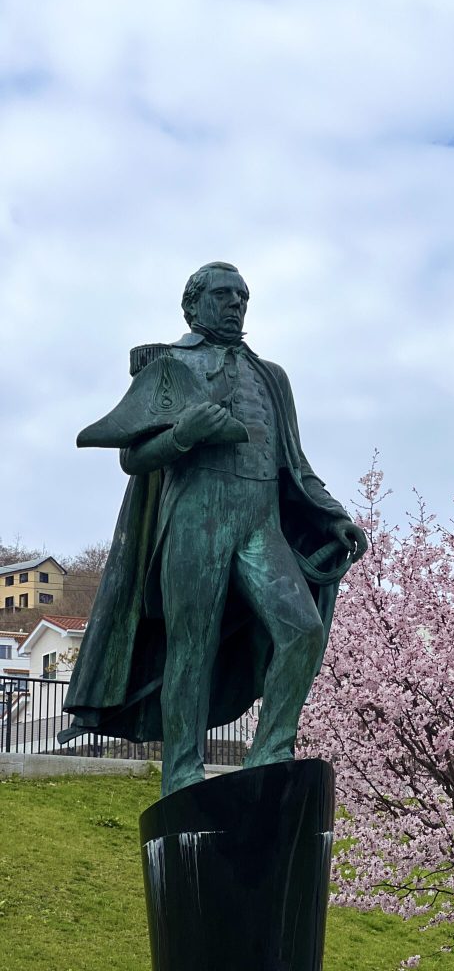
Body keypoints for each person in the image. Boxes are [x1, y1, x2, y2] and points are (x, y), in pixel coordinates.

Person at [61, 261, 367, 795]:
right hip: (194, 519)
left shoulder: (272, 377)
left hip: (260, 522)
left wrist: (334, 514)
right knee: (191, 648)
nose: (235, 305)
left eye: (242, 297)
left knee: (302, 631)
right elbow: (132, 457)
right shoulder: (170, 366)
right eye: (224, 295)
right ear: (193, 304)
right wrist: (185, 433)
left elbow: (295, 464)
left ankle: (270, 753)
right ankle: (182, 774)